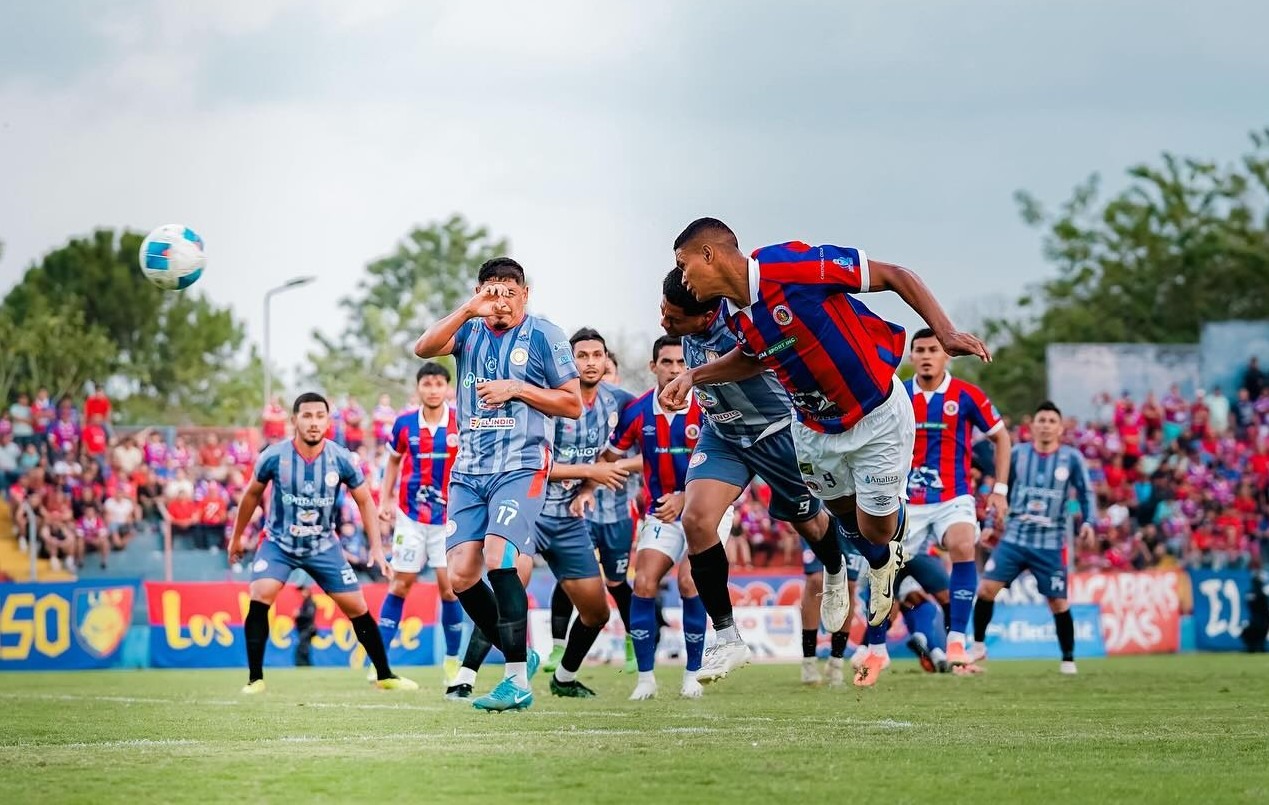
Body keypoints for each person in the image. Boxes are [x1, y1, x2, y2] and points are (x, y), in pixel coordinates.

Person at [663, 218, 990, 676]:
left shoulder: (790, 264)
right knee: (838, 515)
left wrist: (947, 331)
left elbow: (897, 276)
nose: (681, 277)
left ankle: (886, 551)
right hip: (813, 426)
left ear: (709, 255)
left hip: (876, 414)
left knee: (873, 528)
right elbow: (754, 359)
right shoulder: (736, 316)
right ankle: (867, 566)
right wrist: (693, 375)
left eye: (682, 265)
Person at [659, 266, 854, 684]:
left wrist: (692, 377)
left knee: (811, 524)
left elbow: (749, 361)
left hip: (776, 433)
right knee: (696, 519)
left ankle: (835, 570)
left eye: (674, 318)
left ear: (707, 315)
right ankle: (727, 637)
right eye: (663, 311)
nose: (664, 323)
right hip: (723, 436)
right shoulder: (690, 321)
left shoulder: (747, 317)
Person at [414, 257, 582, 712]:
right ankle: (520, 653)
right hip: (469, 471)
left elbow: (573, 404)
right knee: (462, 576)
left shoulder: (545, 335)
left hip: (522, 465)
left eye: (510, 292)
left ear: (525, 294)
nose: (501, 301)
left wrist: (518, 388)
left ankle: (515, 680)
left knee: (499, 558)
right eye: (492, 292)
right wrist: (468, 310)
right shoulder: (468, 329)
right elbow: (422, 348)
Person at [228, 392, 416, 693]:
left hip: (323, 544)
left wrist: (377, 547)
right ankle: (255, 679)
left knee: (357, 606)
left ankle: (385, 675)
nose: (313, 422)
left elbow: (365, 500)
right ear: (294, 421)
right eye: (307, 416)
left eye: (319, 416)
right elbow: (251, 495)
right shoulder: (274, 456)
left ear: (328, 421)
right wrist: (237, 538)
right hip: (279, 542)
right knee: (261, 593)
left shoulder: (341, 458)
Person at [600, 335, 729, 701]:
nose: (674, 370)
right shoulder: (637, 411)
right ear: (653, 367)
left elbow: (734, 464)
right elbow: (609, 458)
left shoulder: (708, 408)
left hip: (709, 509)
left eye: (681, 364)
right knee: (643, 583)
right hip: (661, 512)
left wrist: (686, 495)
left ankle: (692, 674)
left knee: (690, 583)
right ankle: (645, 679)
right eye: (667, 363)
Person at [524, 327, 636, 697]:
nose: (590, 362)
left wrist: (588, 489)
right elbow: (536, 465)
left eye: (596, 355)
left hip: (570, 520)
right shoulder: (551, 402)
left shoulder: (617, 402)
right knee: (508, 589)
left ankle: (565, 679)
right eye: (582, 356)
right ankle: (464, 679)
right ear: (568, 361)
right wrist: (592, 474)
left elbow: (609, 457)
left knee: (597, 612)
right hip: (532, 509)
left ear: (607, 361)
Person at [904, 328, 1012, 672]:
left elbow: (1002, 439)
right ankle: (871, 647)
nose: (925, 356)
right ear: (911, 357)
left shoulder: (967, 395)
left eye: (932, 349)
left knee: (964, 546)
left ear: (945, 354)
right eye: (919, 350)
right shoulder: (898, 395)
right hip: (906, 500)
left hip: (954, 495)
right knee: (886, 574)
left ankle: (956, 642)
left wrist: (1000, 490)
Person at [972, 401, 1096, 675]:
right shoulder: (1017, 455)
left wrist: (1088, 522)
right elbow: (1000, 490)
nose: (1046, 425)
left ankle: (1068, 659)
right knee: (986, 590)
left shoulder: (1071, 458)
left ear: (1060, 428)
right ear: (1032, 426)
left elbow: (1086, 494)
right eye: (1042, 420)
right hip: (1015, 538)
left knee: (1058, 602)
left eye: (1052, 421)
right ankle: (978, 645)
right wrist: (992, 523)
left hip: (1050, 544)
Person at [375, 362, 466, 686]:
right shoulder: (403, 424)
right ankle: (380, 663)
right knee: (400, 584)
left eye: (438, 384)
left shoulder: (461, 421)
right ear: (419, 389)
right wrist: (385, 500)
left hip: (449, 519)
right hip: (410, 517)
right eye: (426, 384)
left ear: (447, 389)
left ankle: (453, 662)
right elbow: (394, 461)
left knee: (451, 588)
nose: (432, 389)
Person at [294, 585, 317, 667]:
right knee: (303, 649)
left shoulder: (310, 602)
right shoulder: (305, 602)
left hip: (307, 629)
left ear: (307, 591)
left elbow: (309, 615)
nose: (302, 593)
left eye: (303, 591)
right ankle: (305, 666)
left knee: (303, 649)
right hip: (303, 629)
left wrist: (299, 614)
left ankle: (304, 666)